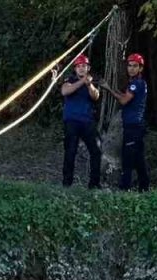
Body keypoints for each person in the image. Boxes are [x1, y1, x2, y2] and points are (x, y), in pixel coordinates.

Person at [103, 52, 149, 191]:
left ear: (141, 68)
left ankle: (124, 189)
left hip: (133, 127)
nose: (131, 69)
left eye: (135, 66)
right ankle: (144, 186)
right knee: (139, 158)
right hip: (137, 126)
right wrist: (114, 89)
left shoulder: (136, 84)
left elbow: (123, 100)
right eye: (129, 65)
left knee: (127, 158)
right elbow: (126, 96)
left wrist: (108, 88)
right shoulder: (137, 83)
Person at [61, 54, 102, 189]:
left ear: (88, 68)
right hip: (71, 122)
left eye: (84, 66)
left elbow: (96, 96)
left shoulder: (92, 82)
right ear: (75, 69)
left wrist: (88, 83)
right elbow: (65, 91)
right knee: (70, 152)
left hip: (87, 122)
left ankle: (94, 184)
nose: (81, 69)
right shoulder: (70, 79)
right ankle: (67, 184)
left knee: (96, 151)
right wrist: (81, 82)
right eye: (78, 66)